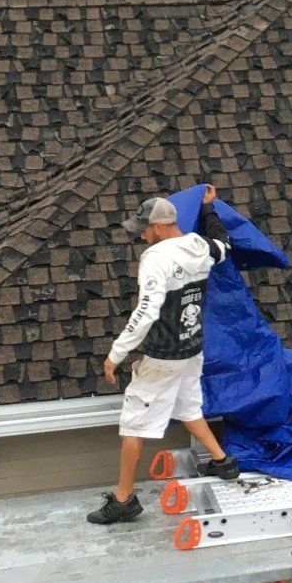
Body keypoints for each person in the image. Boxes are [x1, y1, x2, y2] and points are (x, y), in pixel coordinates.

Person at [88, 184, 242, 525]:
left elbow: (146, 311)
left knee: (133, 426)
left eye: (143, 229)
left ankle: (124, 499)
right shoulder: (200, 247)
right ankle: (222, 462)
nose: (141, 235)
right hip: (191, 347)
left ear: (158, 226)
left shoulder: (155, 259)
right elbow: (223, 245)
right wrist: (209, 210)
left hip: (162, 356)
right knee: (188, 407)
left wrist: (116, 354)